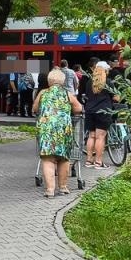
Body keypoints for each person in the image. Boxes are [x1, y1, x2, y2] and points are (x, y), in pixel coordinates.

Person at [33, 68, 83, 196]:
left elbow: (35, 108)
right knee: (63, 159)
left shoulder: (43, 93)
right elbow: (78, 108)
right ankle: (63, 187)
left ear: (49, 81)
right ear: (63, 81)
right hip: (63, 130)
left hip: (46, 130)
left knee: (47, 159)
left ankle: (50, 190)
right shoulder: (67, 94)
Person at [82, 64, 118, 168]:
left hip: (90, 111)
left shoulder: (89, 82)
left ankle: (89, 161)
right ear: (105, 71)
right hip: (103, 111)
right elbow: (115, 97)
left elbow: (87, 95)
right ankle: (98, 162)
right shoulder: (108, 82)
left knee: (91, 136)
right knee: (100, 137)